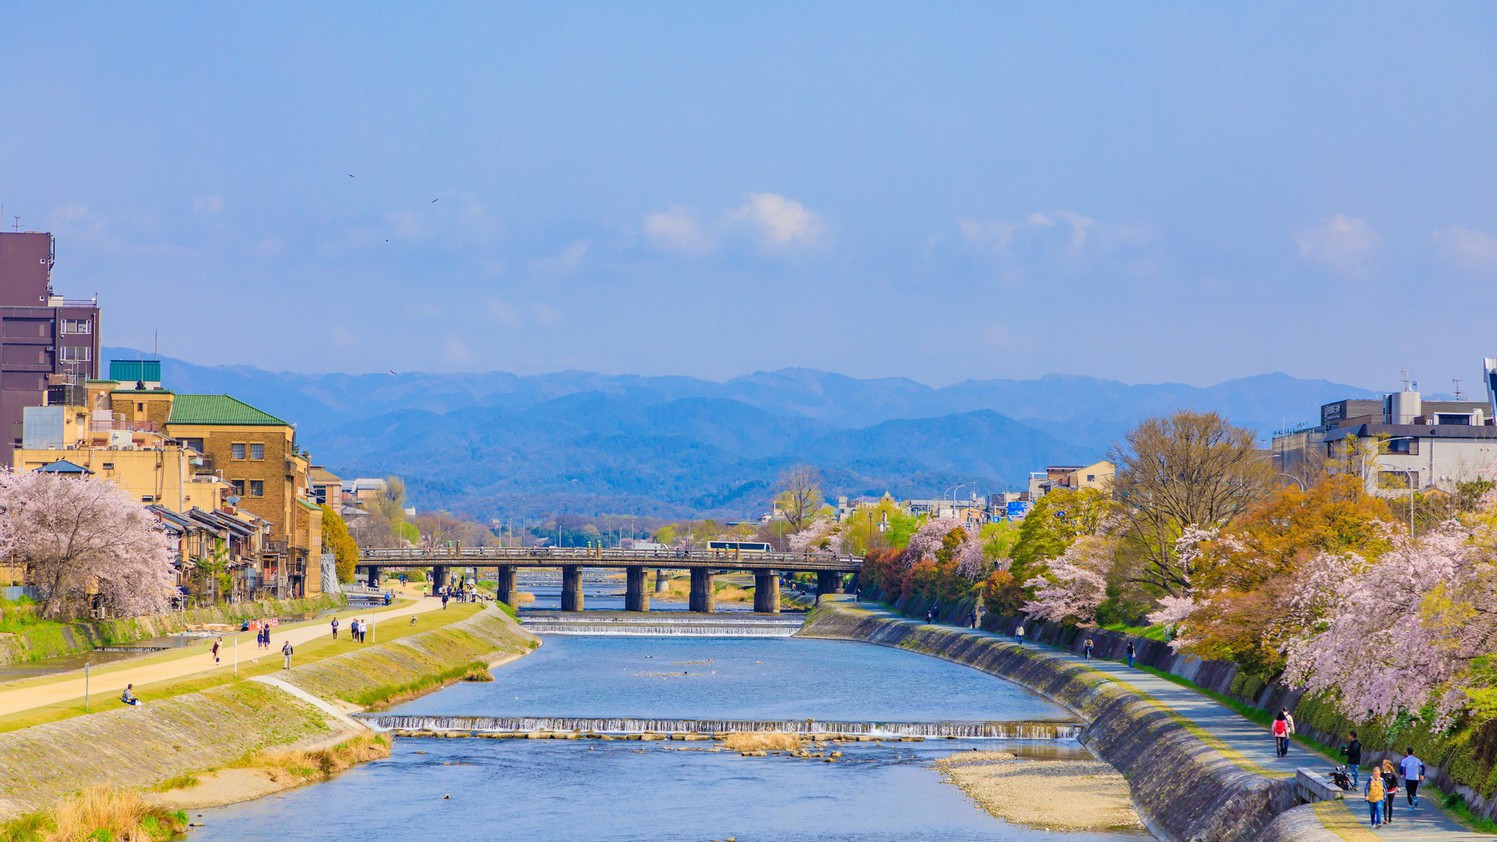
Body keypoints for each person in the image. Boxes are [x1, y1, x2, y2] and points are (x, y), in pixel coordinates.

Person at [1380, 759, 1398, 825]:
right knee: (1385, 805)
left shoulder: (1392, 774)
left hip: (1391, 791)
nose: (1382, 766)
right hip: (1384, 792)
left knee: (1390, 805)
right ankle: (1385, 818)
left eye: (1383, 765)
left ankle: (1390, 818)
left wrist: (1397, 787)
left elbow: (1396, 781)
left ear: (1387, 766)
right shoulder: (1381, 774)